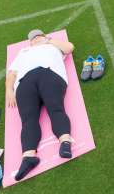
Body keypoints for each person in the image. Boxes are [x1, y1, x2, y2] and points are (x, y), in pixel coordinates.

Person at [6, 29, 75, 181]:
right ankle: (28, 157)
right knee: (28, 120)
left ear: (45, 36)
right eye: (33, 38)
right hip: (25, 81)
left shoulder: (53, 46)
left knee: (55, 108)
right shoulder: (23, 52)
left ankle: (65, 142)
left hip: (49, 74)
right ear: (29, 42)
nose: (35, 39)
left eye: (38, 36)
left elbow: (69, 47)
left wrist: (48, 41)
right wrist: (9, 90)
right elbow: (11, 73)